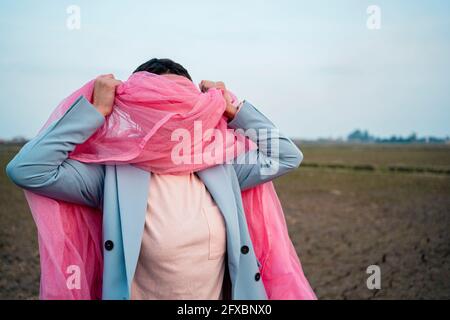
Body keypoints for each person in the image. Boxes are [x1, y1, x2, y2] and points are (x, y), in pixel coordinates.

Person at [6, 58, 304, 300]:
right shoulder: (112, 179)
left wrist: (234, 109)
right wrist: (94, 111)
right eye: (158, 105)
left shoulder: (222, 170)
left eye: (180, 105)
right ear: (137, 110)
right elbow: (28, 169)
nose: (171, 115)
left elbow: (286, 156)